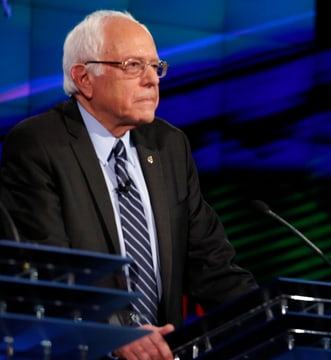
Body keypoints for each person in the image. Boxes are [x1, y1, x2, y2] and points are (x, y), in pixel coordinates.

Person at [0, 9, 258, 360]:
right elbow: (49, 272)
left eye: (155, 66)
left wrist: (271, 316)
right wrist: (113, 331)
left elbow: (212, 266)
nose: (152, 80)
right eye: (134, 66)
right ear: (84, 78)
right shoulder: (40, 144)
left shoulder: (169, 145)